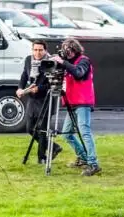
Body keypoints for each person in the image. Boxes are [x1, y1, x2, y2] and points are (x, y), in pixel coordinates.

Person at [49, 38, 99, 176]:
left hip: (83, 102)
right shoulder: (68, 63)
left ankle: (93, 164)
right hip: (73, 102)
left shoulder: (84, 60)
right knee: (67, 134)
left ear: (74, 50)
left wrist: (63, 62)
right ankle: (83, 157)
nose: (66, 53)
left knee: (85, 132)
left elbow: (79, 73)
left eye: (68, 50)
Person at [16, 40, 63, 165]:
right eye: (35, 49)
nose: (37, 52)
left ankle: (41, 157)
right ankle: (54, 147)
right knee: (30, 128)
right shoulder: (28, 60)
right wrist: (20, 88)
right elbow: (24, 75)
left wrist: (39, 88)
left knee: (42, 129)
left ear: (45, 50)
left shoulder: (50, 62)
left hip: (46, 98)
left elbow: (53, 82)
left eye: (40, 50)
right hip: (32, 98)